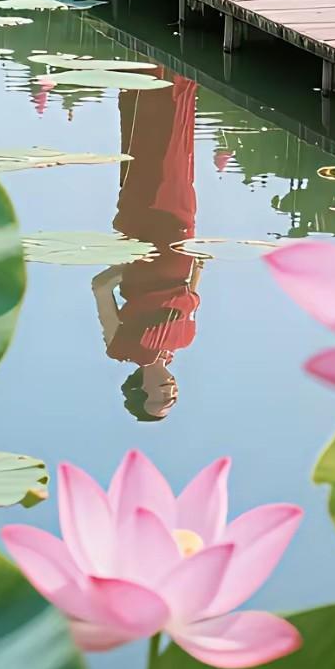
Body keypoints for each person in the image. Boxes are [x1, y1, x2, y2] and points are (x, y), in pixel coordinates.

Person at [91, 67, 201, 420]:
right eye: (172, 399)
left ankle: (153, 75)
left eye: (160, 399)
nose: (170, 393)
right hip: (180, 236)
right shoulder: (180, 345)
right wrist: (198, 263)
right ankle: (181, 78)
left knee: (154, 160)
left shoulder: (121, 348)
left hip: (145, 229)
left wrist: (130, 263)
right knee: (180, 159)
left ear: (140, 391)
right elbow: (190, 294)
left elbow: (100, 287)